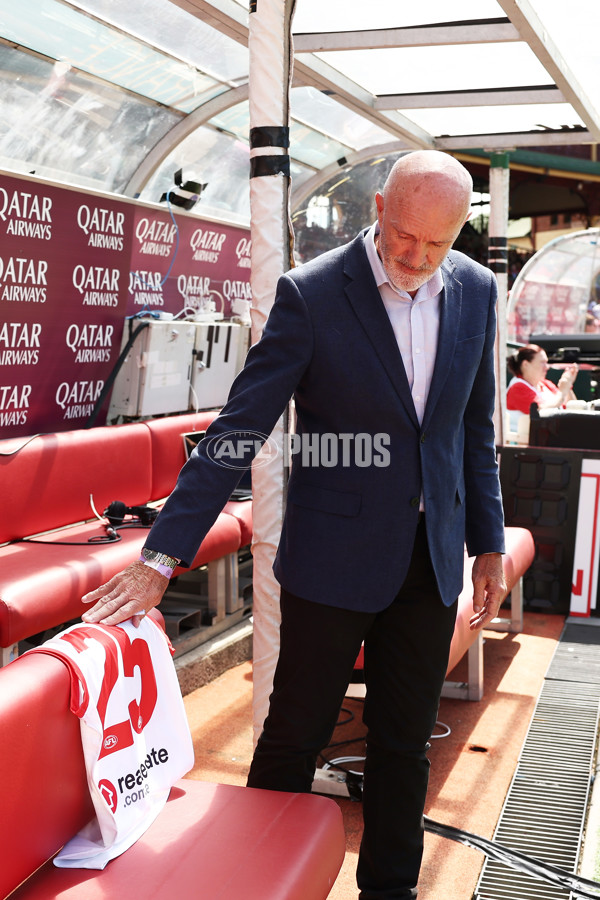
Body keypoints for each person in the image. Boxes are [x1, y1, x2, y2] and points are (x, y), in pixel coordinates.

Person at [82, 150, 506, 899]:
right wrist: (161, 557)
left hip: (432, 558)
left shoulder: (474, 290)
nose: (415, 257)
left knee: (404, 747)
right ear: (379, 207)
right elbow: (238, 428)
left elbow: (473, 431)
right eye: (404, 235)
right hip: (331, 560)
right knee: (292, 739)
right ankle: (249, 884)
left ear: (458, 237)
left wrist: (489, 545)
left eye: (436, 245)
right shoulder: (311, 294)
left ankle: (389, 891)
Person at [506, 343, 578, 431]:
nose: (546, 367)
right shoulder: (517, 387)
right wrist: (562, 392)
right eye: (542, 363)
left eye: (546, 363)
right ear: (526, 364)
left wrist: (568, 385)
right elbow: (542, 412)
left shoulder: (546, 384)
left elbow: (573, 408)